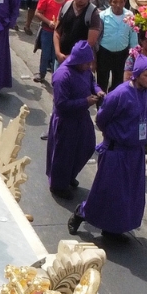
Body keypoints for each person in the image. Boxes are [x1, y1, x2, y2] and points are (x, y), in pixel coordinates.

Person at [45, 41, 100, 197]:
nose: (89, 66)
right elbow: (61, 104)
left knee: (87, 146)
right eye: (87, 63)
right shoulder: (63, 76)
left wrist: (98, 91)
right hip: (66, 120)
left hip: (81, 117)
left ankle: (70, 175)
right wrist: (85, 102)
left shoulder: (85, 70)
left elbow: (92, 82)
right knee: (64, 154)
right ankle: (58, 185)